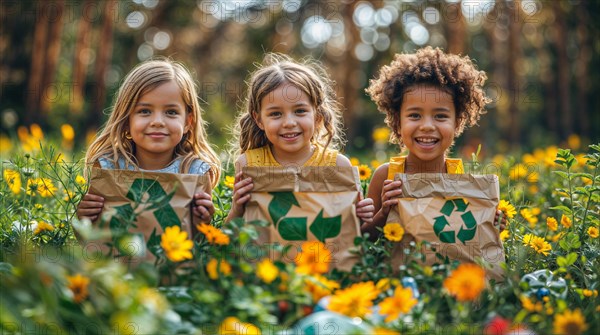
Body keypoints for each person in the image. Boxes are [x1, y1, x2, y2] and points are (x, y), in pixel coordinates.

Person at [362, 46, 505, 238]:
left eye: (440, 116)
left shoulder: (462, 181)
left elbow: (467, 236)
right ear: (397, 122)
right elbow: (362, 239)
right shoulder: (386, 177)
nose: (427, 126)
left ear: (457, 122)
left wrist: (491, 222)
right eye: (414, 115)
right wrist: (384, 213)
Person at [226, 53, 374, 223]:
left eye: (300, 111)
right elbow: (233, 234)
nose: (289, 122)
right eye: (275, 114)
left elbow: (352, 236)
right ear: (259, 119)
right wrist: (237, 208)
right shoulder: (249, 164)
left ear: (317, 116)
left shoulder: (337, 166)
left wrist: (361, 217)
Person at [77, 59, 220, 224]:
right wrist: (84, 218)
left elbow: (200, 239)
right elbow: (92, 238)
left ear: (188, 122)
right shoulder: (108, 167)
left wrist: (204, 220)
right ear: (126, 120)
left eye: (171, 112)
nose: (158, 121)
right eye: (145, 111)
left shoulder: (196, 172)